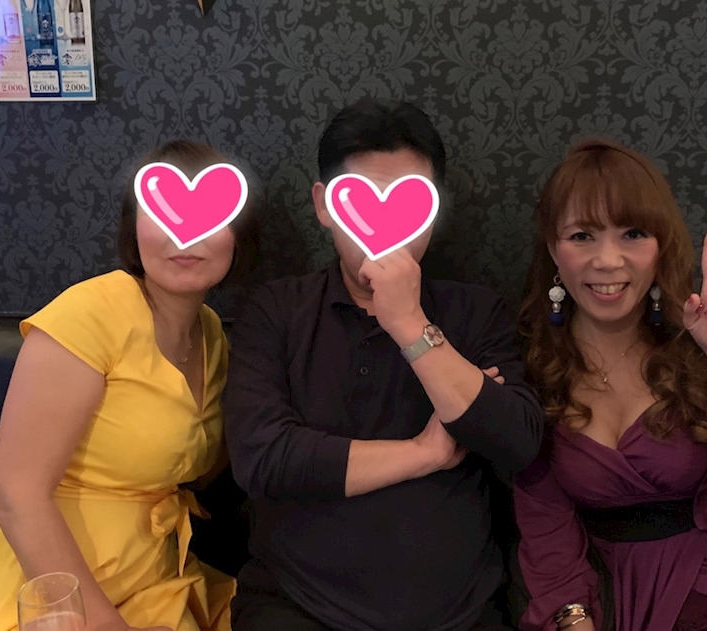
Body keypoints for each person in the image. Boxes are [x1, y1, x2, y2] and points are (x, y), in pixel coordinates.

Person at [224, 99, 544, 631]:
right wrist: (424, 453)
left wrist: (411, 325)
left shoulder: (475, 311)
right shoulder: (277, 310)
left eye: (409, 203)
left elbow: (516, 441)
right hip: (298, 607)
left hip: (459, 615)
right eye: (360, 201)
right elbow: (264, 458)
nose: (385, 227)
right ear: (324, 206)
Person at [0, 140, 260, 631]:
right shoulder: (91, 313)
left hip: (149, 571)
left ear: (239, 238)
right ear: (133, 230)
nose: (184, 235)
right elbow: (16, 496)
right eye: (160, 213)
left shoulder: (212, 336)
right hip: (39, 574)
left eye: (212, 217)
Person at [513, 138, 707, 631]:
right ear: (553, 249)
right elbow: (545, 522)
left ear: (660, 244)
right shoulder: (533, 363)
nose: (607, 260)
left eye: (632, 233)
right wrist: (574, 618)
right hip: (629, 595)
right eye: (582, 235)